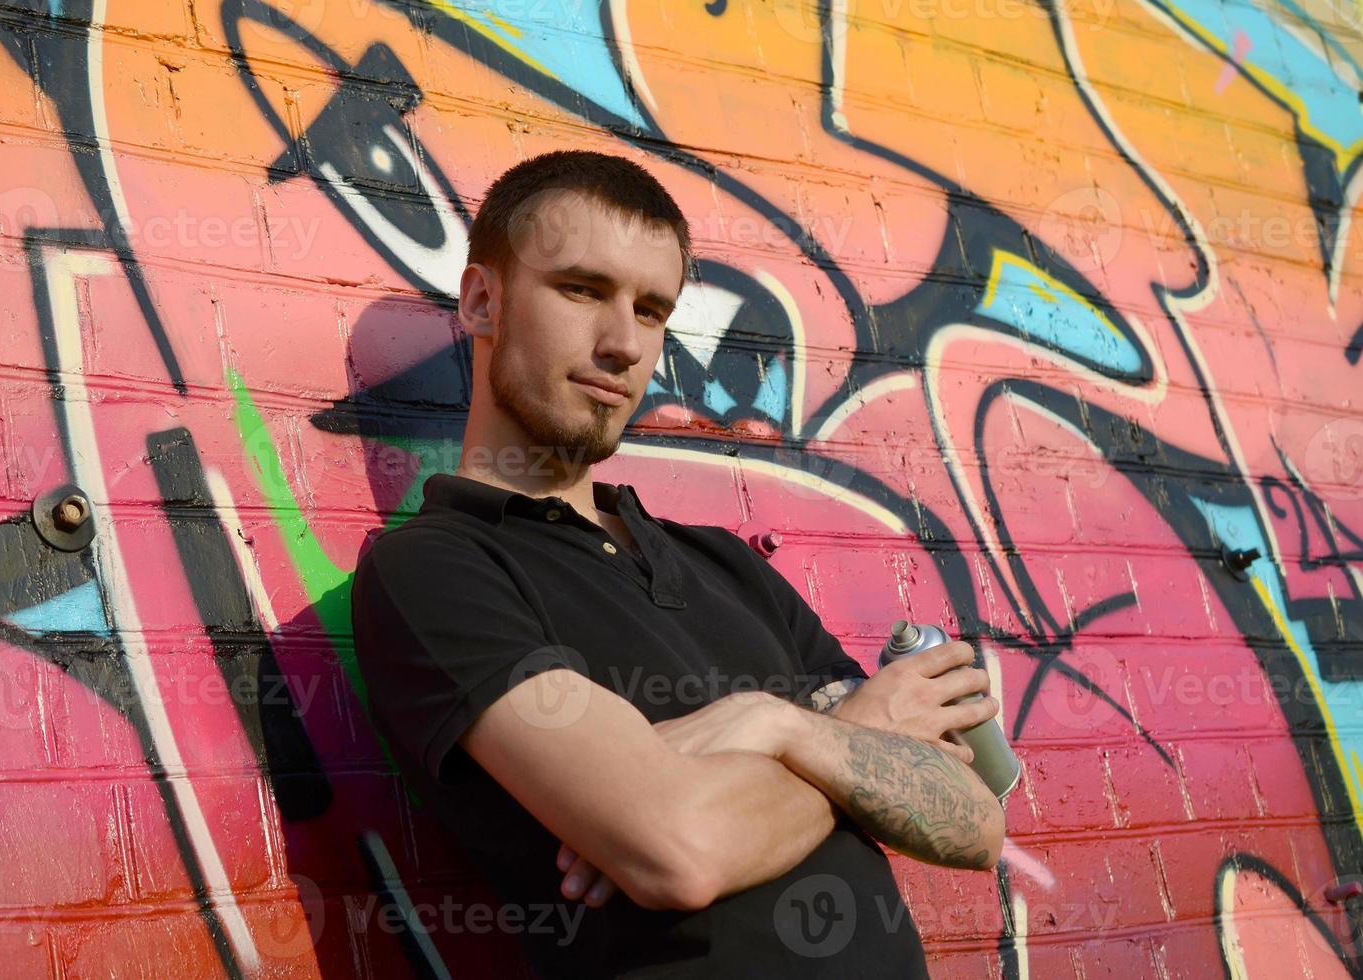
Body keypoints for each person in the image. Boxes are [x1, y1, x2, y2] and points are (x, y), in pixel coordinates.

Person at [350, 150, 1005, 978]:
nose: (624, 344)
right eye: (582, 290)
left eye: (652, 309)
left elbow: (971, 820)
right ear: (483, 300)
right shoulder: (437, 571)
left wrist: (775, 728)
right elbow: (679, 851)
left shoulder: (722, 562)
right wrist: (842, 736)